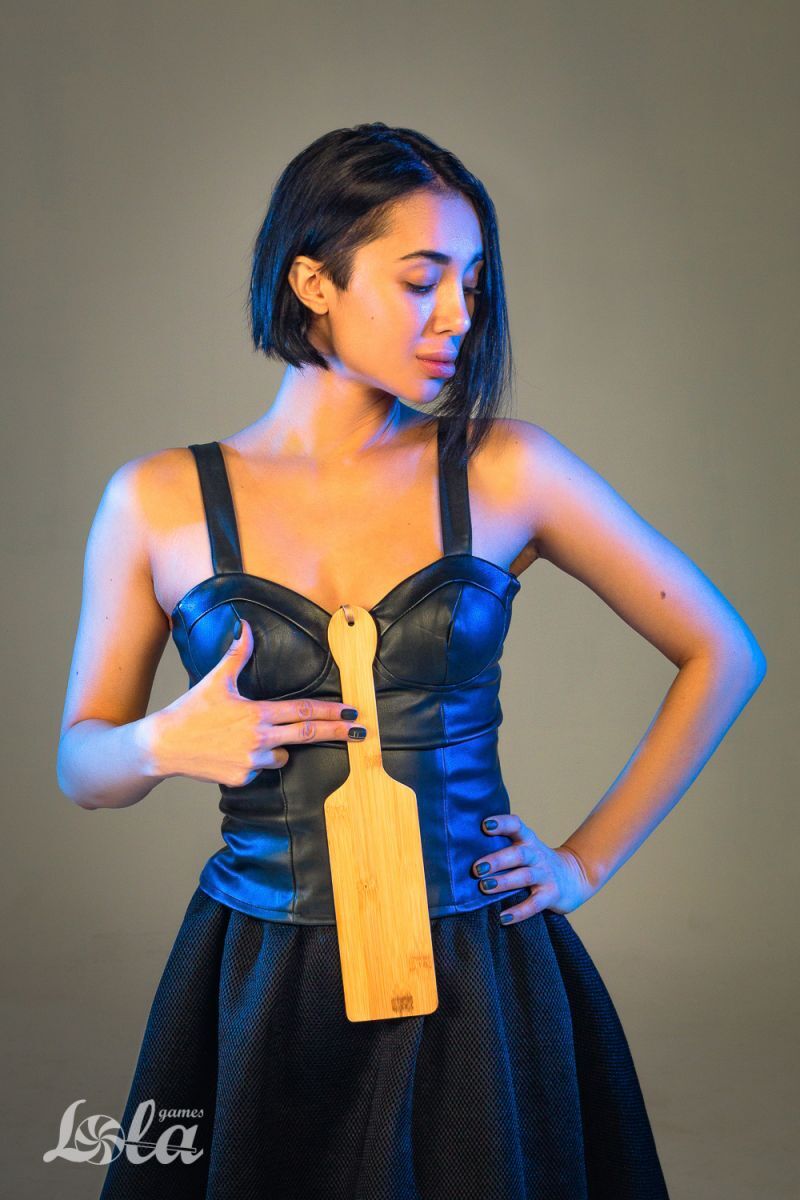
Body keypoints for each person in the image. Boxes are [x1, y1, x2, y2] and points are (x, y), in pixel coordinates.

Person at [58, 122, 766, 1199]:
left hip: (477, 972)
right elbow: (82, 766)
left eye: (471, 284)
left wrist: (581, 865)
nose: (458, 317)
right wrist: (161, 742)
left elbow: (723, 652)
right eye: (421, 279)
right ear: (313, 280)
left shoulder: (505, 466)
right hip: (264, 974)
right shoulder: (154, 500)